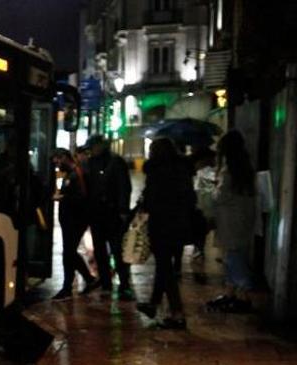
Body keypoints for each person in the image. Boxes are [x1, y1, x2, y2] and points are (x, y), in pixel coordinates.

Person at [136, 138, 195, 329]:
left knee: (165, 268)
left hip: (161, 225)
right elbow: (190, 198)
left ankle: (177, 313)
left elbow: (152, 200)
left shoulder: (156, 171)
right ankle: (154, 304)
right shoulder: (183, 170)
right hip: (180, 225)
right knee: (164, 266)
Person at [207, 130, 256, 313]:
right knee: (234, 257)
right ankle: (231, 294)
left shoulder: (229, 172)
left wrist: (213, 189)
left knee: (234, 259)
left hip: (231, 221)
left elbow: (219, 197)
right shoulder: (245, 169)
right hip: (242, 220)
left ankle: (243, 297)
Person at [84, 135, 135, 300]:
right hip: (96, 213)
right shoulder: (91, 163)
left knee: (117, 250)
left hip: (112, 213)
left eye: (92, 147)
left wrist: (122, 210)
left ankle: (124, 284)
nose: (91, 150)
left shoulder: (115, 161)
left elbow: (124, 187)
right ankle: (106, 283)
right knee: (100, 251)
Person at [51, 148, 98, 299]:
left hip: (75, 220)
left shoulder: (76, 174)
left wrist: (62, 198)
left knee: (68, 253)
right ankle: (89, 280)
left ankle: (67, 287)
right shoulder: (70, 174)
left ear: (65, 157)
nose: (56, 164)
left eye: (57, 160)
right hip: (70, 220)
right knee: (69, 252)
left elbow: (81, 198)